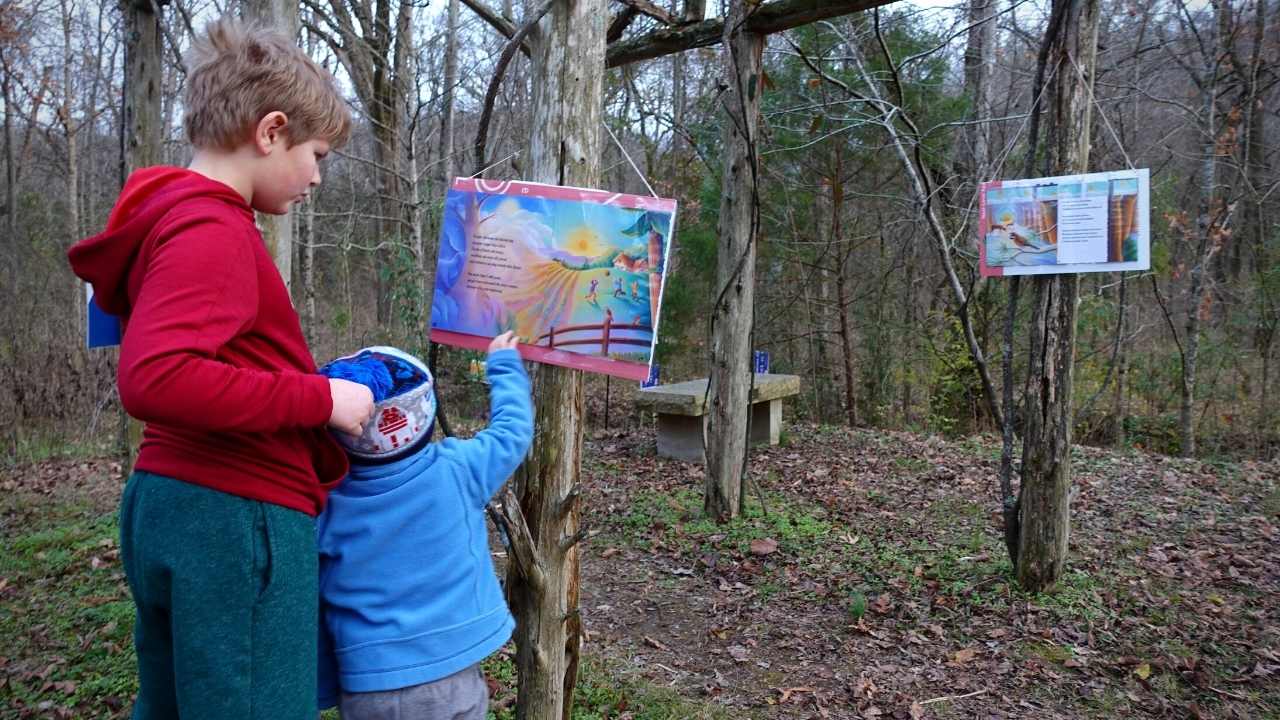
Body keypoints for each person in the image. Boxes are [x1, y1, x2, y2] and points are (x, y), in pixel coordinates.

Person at [66, 17, 373, 720]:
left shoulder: (170, 218)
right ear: (270, 132)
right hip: (234, 517)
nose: (318, 177)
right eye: (317, 153)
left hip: (175, 504)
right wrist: (319, 398)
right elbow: (158, 376)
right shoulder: (214, 229)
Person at [315, 332, 534, 720]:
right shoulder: (459, 469)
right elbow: (512, 432)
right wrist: (504, 365)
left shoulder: (326, 504)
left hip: (368, 687)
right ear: (426, 416)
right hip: (452, 676)